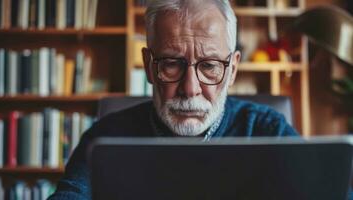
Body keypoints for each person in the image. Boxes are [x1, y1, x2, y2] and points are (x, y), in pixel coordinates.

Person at [48, 0, 298, 199]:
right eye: (171, 64)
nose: (190, 89)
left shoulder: (270, 132)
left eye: (209, 65)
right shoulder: (105, 139)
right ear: (148, 66)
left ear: (232, 70)